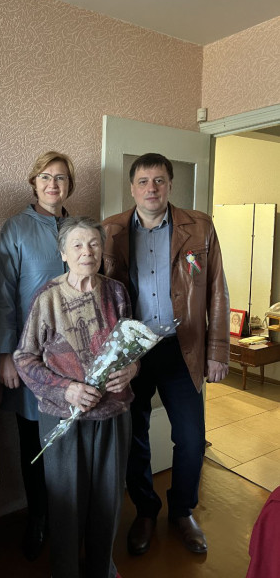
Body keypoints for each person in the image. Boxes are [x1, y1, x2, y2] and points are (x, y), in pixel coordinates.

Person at [102, 152, 230, 555]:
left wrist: (218, 350)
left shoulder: (199, 227)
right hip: (133, 353)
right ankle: (145, 510)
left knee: (191, 439)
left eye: (159, 180)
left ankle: (182, 511)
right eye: (143, 181)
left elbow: (217, 289)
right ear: (132, 188)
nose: (151, 188)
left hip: (183, 348)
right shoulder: (111, 231)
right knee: (134, 437)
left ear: (170, 185)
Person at [13, 216, 137, 578]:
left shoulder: (116, 292)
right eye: (78, 245)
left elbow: (131, 347)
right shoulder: (48, 297)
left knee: (109, 500)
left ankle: (102, 568)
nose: (87, 252)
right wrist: (67, 389)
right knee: (66, 504)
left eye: (94, 244)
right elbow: (24, 359)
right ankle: (65, 570)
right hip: (63, 418)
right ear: (63, 254)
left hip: (113, 413)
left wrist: (132, 369)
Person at [0, 151, 75, 560]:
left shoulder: (79, 228)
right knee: (35, 444)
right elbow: (4, 295)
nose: (52, 184)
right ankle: (38, 517)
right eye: (45, 176)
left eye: (60, 177)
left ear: (69, 185)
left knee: (70, 441)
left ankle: (69, 519)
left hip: (75, 358)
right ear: (34, 183)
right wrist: (5, 354)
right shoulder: (16, 229)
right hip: (30, 358)